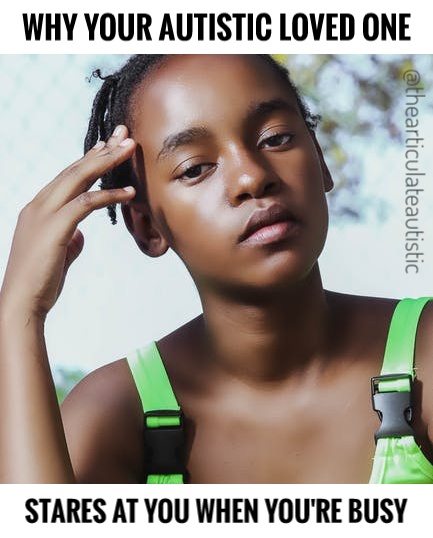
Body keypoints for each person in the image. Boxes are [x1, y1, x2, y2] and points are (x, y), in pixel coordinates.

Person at [1, 54, 433, 484]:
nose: (251, 177)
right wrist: (18, 315)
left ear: (320, 161)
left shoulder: (424, 355)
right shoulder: (116, 412)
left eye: (276, 138)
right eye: (196, 168)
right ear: (148, 226)